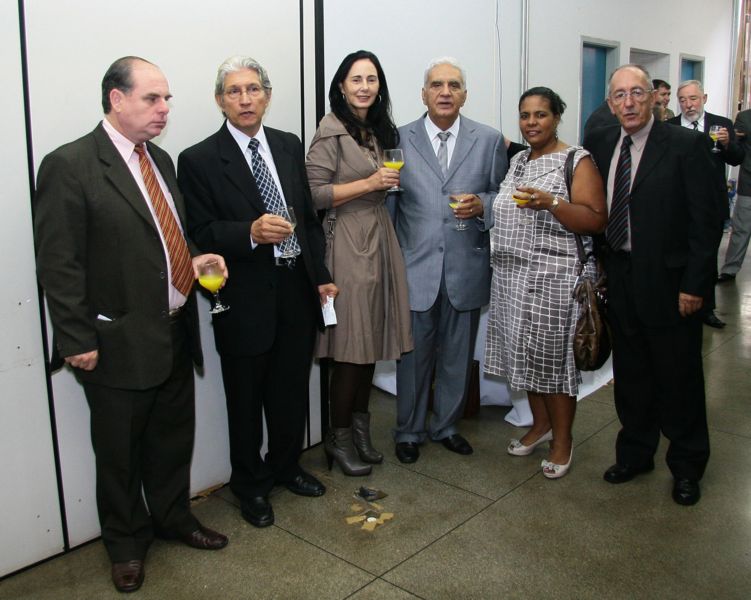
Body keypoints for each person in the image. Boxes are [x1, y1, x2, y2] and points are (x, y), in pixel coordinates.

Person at [33, 56, 229, 593]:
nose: (164, 109)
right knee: (119, 454)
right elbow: (58, 263)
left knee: (171, 440)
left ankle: (173, 518)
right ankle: (124, 543)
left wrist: (196, 258)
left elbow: (167, 236)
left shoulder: (158, 159)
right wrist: (75, 338)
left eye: (167, 99)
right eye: (152, 98)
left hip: (174, 329)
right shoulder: (70, 165)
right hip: (116, 340)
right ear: (116, 99)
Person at [178, 56, 338, 529]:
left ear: (267, 95)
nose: (245, 99)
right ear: (220, 100)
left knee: (290, 391)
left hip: (296, 289)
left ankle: (286, 466)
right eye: (234, 91)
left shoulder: (288, 145)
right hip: (243, 296)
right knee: (245, 401)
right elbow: (198, 231)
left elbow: (307, 219)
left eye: (253, 89)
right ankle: (249, 485)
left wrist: (320, 275)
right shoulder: (199, 159)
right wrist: (248, 232)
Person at [584, 65, 719, 506]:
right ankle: (635, 454)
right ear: (610, 104)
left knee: (679, 378)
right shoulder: (601, 142)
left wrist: (695, 285)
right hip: (620, 277)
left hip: (671, 283)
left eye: (637, 93)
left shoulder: (686, 145)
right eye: (620, 95)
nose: (629, 103)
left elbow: (706, 221)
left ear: (654, 98)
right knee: (632, 374)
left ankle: (687, 465)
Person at [390, 57, 508, 463]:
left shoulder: (489, 139)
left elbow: (501, 194)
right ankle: (408, 430)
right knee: (412, 358)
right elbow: (390, 206)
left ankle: (447, 426)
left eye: (453, 85)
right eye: (437, 85)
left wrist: (483, 204)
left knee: (458, 356)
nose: (445, 92)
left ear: (465, 95)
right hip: (414, 268)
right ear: (423, 94)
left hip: (466, 267)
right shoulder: (398, 138)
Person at [485, 87, 607, 479]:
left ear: (556, 118)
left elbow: (595, 219)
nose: (532, 122)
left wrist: (552, 203)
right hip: (511, 279)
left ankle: (563, 440)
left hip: (555, 280)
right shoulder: (519, 160)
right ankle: (540, 426)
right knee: (524, 356)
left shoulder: (576, 160)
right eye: (525, 115)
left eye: (540, 114)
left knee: (553, 363)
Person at [305, 50, 413, 476]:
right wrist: (369, 183)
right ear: (341, 86)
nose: (364, 87)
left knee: (370, 345)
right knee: (351, 347)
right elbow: (313, 195)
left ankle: (360, 432)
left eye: (371, 79)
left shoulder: (376, 130)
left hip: (379, 236)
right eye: (356, 79)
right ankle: (339, 438)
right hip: (347, 240)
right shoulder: (330, 132)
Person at [668, 80, 744, 328]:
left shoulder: (721, 124)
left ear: (704, 98)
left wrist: (727, 144)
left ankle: (706, 309)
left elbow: (737, 158)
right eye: (683, 100)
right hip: (678, 205)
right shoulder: (669, 127)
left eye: (693, 99)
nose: (688, 105)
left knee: (707, 257)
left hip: (711, 203)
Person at [719, 108, 751, 282]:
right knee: (741, 228)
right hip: (749, 183)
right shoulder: (745, 118)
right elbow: (735, 148)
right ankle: (730, 269)